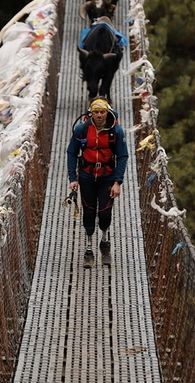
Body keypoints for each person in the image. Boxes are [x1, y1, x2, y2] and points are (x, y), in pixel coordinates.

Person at [67, 97, 128, 268]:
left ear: (107, 112)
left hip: (107, 177)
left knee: (105, 214)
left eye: (102, 112)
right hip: (86, 177)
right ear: (91, 112)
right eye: (96, 112)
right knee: (88, 212)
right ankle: (88, 249)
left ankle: (104, 241)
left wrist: (118, 182)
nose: (99, 115)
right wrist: (72, 178)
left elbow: (123, 156)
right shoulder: (82, 130)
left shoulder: (116, 131)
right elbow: (71, 152)